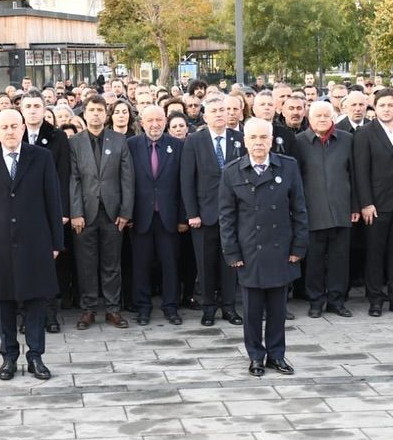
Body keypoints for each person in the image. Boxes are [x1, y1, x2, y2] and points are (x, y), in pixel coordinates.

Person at [0, 110, 63, 381]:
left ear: (23, 128)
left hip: (36, 241)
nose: (10, 131)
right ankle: (8, 357)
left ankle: (36, 357)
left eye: (14, 126)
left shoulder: (41, 157)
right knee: (3, 303)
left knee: (36, 301)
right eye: (4, 127)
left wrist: (56, 242)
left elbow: (53, 200)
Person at [220, 119, 308, 377]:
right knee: (252, 310)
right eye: (253, 138)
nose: (259, 143)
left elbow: (300, 210)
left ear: (272, 140)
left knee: (278, 309)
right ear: (245, 141)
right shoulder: (232, 171)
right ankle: (256, 357)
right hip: (249, 251)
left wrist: (299, 247)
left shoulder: (288, 167)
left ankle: (277, 355)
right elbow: (226, 217)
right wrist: (232, 252)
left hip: (281, 248)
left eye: (263, 138)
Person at [68, 95, 134, 330]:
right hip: (84, 214)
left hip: (113, 213)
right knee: (86, 263)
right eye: (91, 110)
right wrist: (75, 212)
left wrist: (126, 212)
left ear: (106, 115)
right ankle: (88, 309)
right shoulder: (74, 142)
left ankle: (113, 309)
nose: (96, 114)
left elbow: (127, 178)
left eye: (100, 110)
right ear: (84, 114)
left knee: (111, 263)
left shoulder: (119, 140)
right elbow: (73, 179)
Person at [353, 88, 393, 317]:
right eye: (382, 105)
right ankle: (375, 299)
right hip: (377, 205)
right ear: (375, 107)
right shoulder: (365, 133)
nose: (387, 109)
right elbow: (360, 171)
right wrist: (366, 203)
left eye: (391, 105)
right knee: (375, 252)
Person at [181, 94, 244, 327]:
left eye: (223, 110)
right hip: (204, 215)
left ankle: (229, 307)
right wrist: (192, 214)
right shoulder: (194, 141)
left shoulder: (240, 139)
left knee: (231, 262)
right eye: (214, 111)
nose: (219, 114)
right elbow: (187, 180)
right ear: (205, 116)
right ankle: (208, 308)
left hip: (234, 215)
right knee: (205, 264)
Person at [293, 101, 357, 318]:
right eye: (317, 116)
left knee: (340, 259)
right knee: (314, 260)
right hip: (312, 210)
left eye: (325, 115)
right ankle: (316, 301)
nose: (322, 119)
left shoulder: (347, 140)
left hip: (342, 209)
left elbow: (355, 175)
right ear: (309, 119)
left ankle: (336, 301)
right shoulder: (299, 142)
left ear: (333, 118)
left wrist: (355, 205)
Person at [127, 105, 186, 326]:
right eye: (150, 120)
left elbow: (183, 184)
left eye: (159, 120)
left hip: (168, 216)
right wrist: (127, 213)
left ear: (165, 121)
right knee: (140, 264)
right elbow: (126, 182)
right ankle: (143, 307)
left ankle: (171, 307)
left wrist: (183, 217)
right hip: (140, 216)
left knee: (170, 263)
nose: (154, 125)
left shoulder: (177, 146)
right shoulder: (131, 145)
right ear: (142, 122)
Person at [19, 91, 71, 332]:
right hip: (19, 210)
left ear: (44, 109)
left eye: (36, 106)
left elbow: (63, 174)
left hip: (48, 209)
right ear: (21, 109)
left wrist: (61, 210)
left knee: (48, 264)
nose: (32, 110)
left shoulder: (57, 136)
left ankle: (49, 314)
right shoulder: (12, 133)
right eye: (28, 106)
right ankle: (24, 315)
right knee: (22, 264)